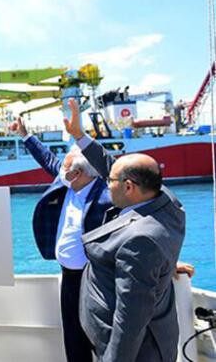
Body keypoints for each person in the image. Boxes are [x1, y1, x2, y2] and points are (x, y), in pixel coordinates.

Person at [64, 98, 186, 362]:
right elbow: (117, 168)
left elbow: (129, 321)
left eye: (110, 182)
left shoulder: (141, 241)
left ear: (129, 187)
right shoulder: (167, 203)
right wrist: (80, 137)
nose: (107, 185)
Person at [10, 117, 110, 362]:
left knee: (100, 337)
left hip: (95, 280)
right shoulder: (69, 182)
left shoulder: (107, 197)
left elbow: (135, 226)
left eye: (65, 169)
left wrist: (168, 263)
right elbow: (47, 159)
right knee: (73, 337)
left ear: (76, 173)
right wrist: (25, 134)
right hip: (69, 276)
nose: (59, 171)